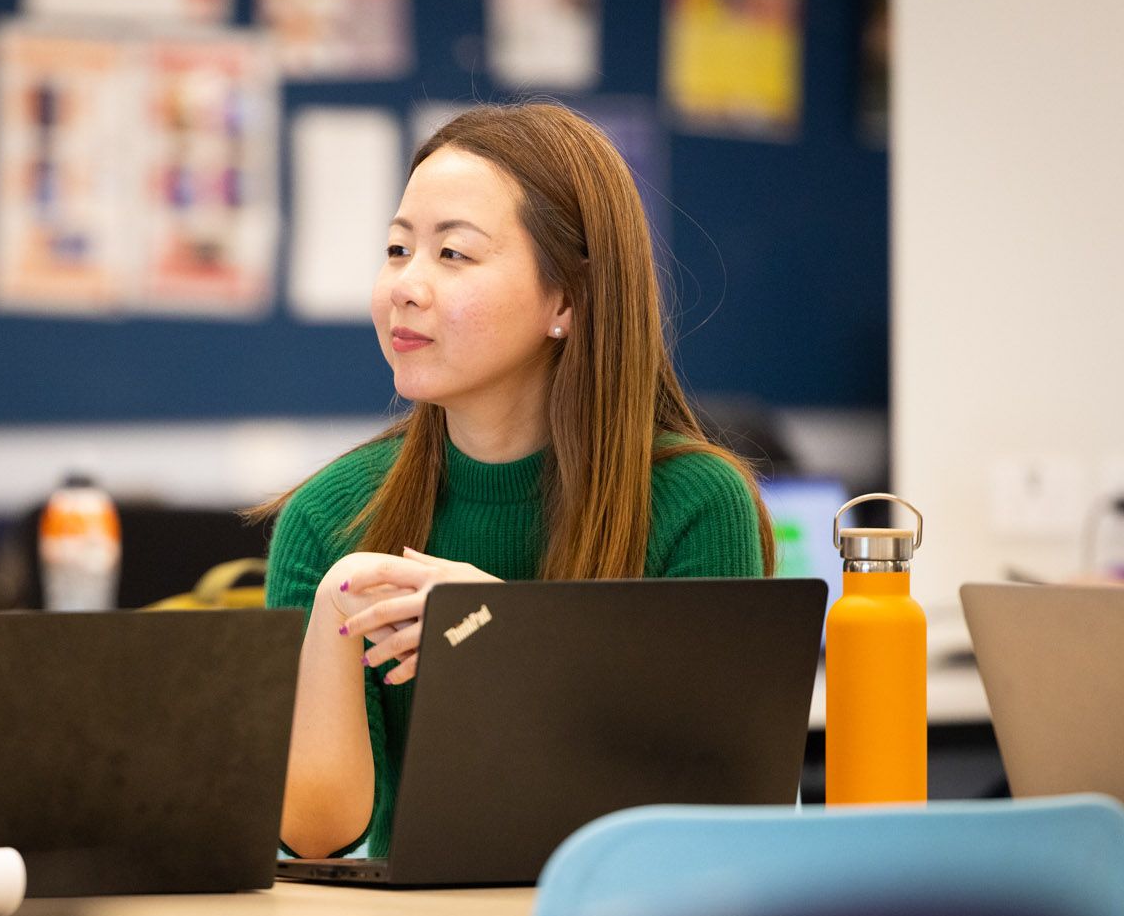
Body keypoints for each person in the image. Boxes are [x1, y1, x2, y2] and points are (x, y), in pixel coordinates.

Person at [260, 103, 773, 860]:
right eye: (397, 249)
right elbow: (314, 838)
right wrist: (338, 611)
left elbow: (714, 814)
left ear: (566, 299)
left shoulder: (697, 503)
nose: (406, 285)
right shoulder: (330, 518)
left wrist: (510, 648)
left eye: (453, 255)